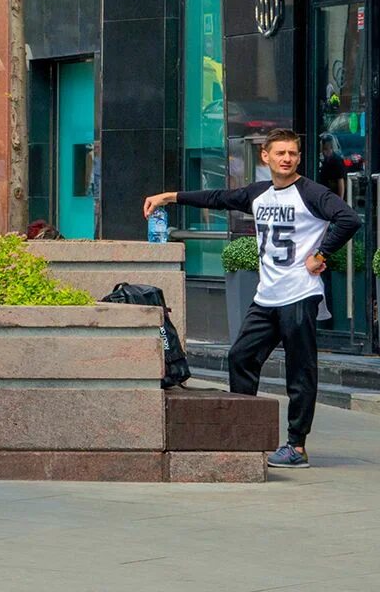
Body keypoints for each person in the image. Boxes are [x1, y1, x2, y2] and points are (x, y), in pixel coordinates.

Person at [142, 129, 359, 469]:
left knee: (300, 371)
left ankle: (296, 446)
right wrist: (169, 197)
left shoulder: (311, 193)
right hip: (267, 296)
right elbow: (217, 198)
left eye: (292, 153)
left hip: (300, 294)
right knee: (241, 356)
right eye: (280, 153)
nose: (286, 158)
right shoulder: (258, 193)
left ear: (299, 158)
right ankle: (245, 432)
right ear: (266, 157)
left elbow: (349, 218)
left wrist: (321, 253)